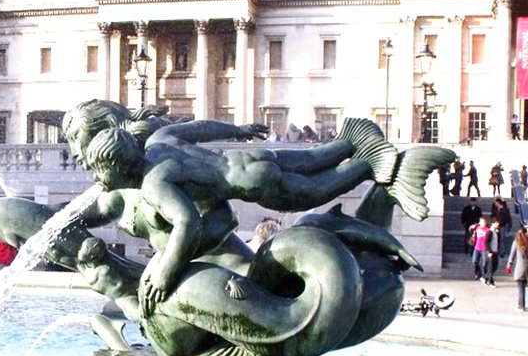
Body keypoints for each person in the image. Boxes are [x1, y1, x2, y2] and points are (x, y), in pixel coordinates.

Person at [84, 119, 452, 312]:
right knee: (314, 158)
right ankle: (352, 141)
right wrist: (241, 130)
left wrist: (165, 272)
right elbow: (200, 129)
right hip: (250, 160)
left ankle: (372, 164)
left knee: (317, 190)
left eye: (101, 173)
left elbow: (187, 222)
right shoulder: (159, 141)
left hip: (253, 185)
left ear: (117, 167)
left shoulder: (153, 184)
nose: (100, 181)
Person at [505, 223, 528, 311]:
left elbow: (512, 255)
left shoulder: (516, 242)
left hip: (520, 268)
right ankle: (521, 305)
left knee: (521, 288)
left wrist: (508, 265)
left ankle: (521, 305)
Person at [471, 216, 490, 282]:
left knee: (485, 263)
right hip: (477, 247)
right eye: (481, 221)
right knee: (475, 261)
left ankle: (485, 276)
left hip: (484, 248)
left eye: (483, 221)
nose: (482, 223)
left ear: (486, 222)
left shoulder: (487, 230)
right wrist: (472, 227)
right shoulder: (477, 228)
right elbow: (471, 231)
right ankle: (478, 273)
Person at [483, 219, 500, 287]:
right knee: (491, 267)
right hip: (491, 252)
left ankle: (485, 278)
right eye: (496, 223)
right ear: (493, 223)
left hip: (495, 252)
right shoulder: (489, 232)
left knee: (495, 267)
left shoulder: (495, 232)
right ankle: (490, 282)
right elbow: (486, 242)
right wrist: (489, 251)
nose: (498, 225)